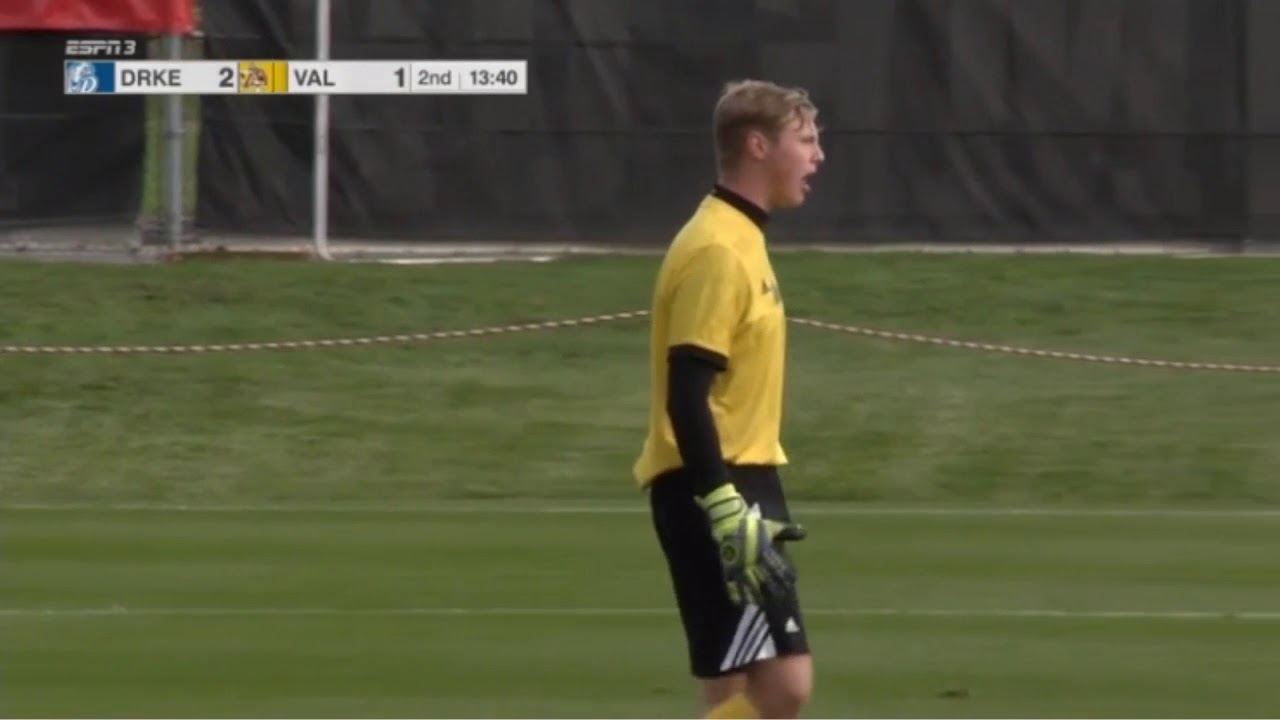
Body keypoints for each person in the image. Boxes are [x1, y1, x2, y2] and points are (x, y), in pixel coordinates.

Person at [632, 79, 825, 719]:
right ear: (757, 146)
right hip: (717, 487)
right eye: (805, 140)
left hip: (734, 481)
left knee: (734, 687)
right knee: (784, 685)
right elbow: (687, 392)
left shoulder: (740, 237)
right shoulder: (718, 248)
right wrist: (722, 506)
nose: (818, 155)